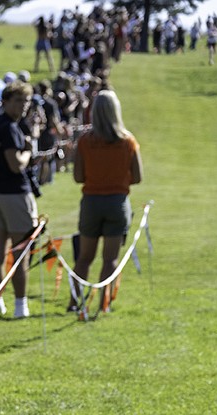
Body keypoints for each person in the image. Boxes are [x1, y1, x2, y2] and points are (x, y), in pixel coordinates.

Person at [71, 91, 142, 312]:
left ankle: (74, 302)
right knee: (110, 259)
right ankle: (103, 304)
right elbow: (138, 177)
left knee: (84, 258)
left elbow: (78, 177)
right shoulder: (127, 141)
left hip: (91, 201)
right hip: (117, 203)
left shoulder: (84, 141)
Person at [0, 81, 38, 318]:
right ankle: (20, 305)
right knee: (19, 253)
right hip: (14, 194)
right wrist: (28, 150)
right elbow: (16, 164)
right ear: (5, 101)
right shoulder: (9, 128)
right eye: (18, 100)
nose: (23, 106)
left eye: (26, 101)